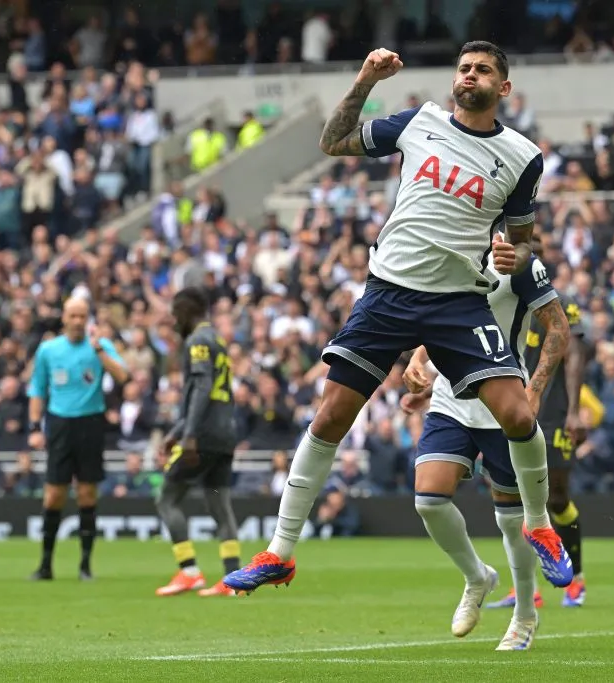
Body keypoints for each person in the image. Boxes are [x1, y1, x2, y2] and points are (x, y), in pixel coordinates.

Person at [224, 42, 573, 595]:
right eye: (463, 68)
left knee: (516, 413)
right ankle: (280, 552)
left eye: (482, 70)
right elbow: (332, 141)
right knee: (333, 413)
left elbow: (522, 243)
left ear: (502, 88)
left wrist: (517, 255)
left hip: (458, 301)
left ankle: (539, 525)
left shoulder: (522, 156)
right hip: (389, 293)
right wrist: (365, 79)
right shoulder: (419, 122)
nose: (469, 75)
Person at [399, 232, 571, 650]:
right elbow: (441, 323)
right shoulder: (447, 255)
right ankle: (478, 576)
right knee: (428, 500)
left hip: (502, 402)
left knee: (512, 522)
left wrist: (534, 391)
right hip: (451, 398)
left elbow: (559, 329)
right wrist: (419, 360)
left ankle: (525, 615)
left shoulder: (517, 262)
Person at [489, 271, 588, 609]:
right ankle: (525, 587)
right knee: (516, 497)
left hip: (554, 409)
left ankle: (576, 579)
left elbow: (574, 354)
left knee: (557, 497)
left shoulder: (559, 301)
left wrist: (574, 409)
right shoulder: (498, 293)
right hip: (513, 403)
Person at [28, 298, 129, 581]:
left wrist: (99, 349)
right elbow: (37, 387)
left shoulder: (100, 345)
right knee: (54, 494)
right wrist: (35, 426)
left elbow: (123, 375)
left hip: (90, 423)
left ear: (88, 318)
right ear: (64, 317)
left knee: (86, 493)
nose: (76, 321)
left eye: (81, 316)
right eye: (72, 315)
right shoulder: (49, 349)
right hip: (60, 423)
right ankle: (45, 564)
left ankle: (85, 565)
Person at [154, 287, 242, 597]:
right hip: (225, 434)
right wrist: (176, 432)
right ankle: (234, 579)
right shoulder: (217, 340)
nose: (173, 320)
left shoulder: (197, 342)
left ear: (189, 312)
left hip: (203, 435)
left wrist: (188, 435)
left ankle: (189, 571)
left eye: (176, 314)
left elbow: (202, 388)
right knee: (219, 503)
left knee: (167, 498)